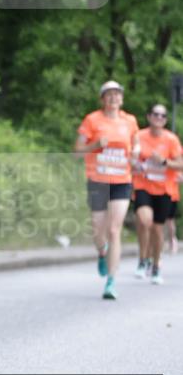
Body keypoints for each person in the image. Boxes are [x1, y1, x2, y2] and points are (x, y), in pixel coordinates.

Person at [74, 80, 140, 300]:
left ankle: (111, 281)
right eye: (109, 95)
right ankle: (102, 252)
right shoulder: (92, 120)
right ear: (102, 99)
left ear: (122, 98)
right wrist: (95, 145)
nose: (113, 98)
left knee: (114, 230)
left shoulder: (129, 121)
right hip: (97, 180)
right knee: (98, 229)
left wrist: (136, 153)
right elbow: (76, 152)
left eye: (117, 94)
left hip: (121, 179)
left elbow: (136, 143)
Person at [132, 104, 183, 284]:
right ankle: (142, 259)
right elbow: (130, 158)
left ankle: (156, 264)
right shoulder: (138, 136)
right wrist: (135, 163)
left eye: (163, 116)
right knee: (144, 220)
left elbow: (180, 164)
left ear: (165, 120)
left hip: (164, 188)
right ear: (149, 117)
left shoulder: (171, 139)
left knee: (157, 228)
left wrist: (163, 162)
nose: (159, 118)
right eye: (156, 114)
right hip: (143, 185)